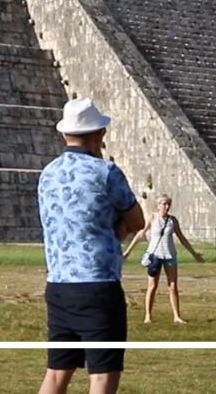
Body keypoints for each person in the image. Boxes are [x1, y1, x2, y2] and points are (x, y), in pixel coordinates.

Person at [37, 97, 144, 394]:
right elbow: (137, 220)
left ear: (64, 134)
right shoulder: (105, 172)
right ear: (98, 134)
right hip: (97, 286)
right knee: (101, 375)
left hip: (58, 285)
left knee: (57, 373)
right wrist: (116, 228)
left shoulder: (47, 175)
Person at [122, 193, 204, 324]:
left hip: (170, 255)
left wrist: (194, 253)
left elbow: (182, 238)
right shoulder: (152, 218)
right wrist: (128, 251)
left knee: (172, 286)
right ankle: (148, 315)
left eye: (168, 204)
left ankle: (177, 316)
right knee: (152, 286)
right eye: (164, 204)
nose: (167, 206)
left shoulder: (173, 220)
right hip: (154, 256)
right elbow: (140, 234)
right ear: (158, 205)